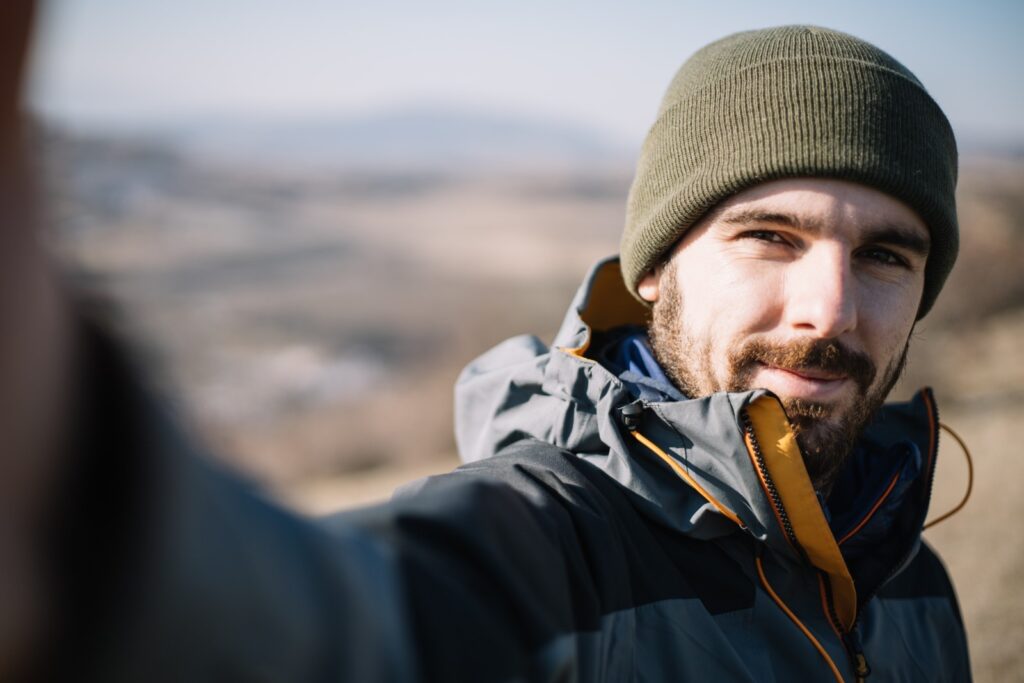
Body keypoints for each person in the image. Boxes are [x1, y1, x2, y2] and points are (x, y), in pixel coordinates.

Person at [0, 6, 969, 680]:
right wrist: (68, 497)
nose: (830, 310)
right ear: (654, 270)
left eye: (886, 255)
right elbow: (332, 634)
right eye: (768, 236)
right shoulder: (555, 547)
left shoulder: (905, 571)